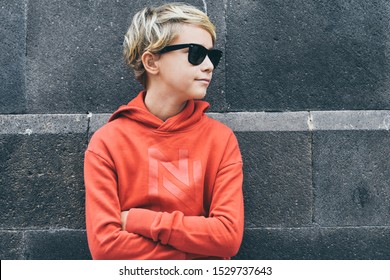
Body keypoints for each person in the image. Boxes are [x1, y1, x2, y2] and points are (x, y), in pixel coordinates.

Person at [84, 2, 244, 260]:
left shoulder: (220, 139)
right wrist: (198, 250)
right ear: (151, 61)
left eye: (212, 56)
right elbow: (105, 249)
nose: (208, 66)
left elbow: (227, 238)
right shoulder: (107, 143)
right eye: (195, 53)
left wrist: (137, 219)